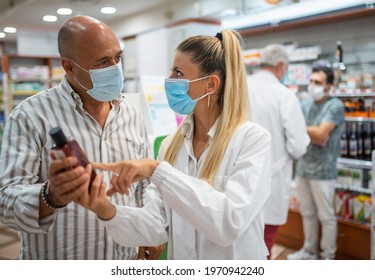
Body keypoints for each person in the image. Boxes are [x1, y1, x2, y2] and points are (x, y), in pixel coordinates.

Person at [77, 30, 272, 259]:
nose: (169, 79)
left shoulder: (252, 139)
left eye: (178, 72)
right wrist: (105, 208)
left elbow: (229, 224)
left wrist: (157, 171)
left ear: (211, 84)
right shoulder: (171, 144)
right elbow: (156, 226)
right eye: (171, 71)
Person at [0, 15, 163, 260]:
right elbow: (5, 201)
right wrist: (50, 196)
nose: (114, 67)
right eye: (103, 62)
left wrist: (148, 233)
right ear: (69, 66)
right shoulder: (31, 116)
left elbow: (142, 187)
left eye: (117, 57)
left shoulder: (131, 113)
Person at [247, 44, 310, 259]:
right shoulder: (284, 96)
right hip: (271, 183)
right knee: (264, 246)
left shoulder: (239, 88)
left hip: (239, 180)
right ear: (281, 66)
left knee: (241, 245)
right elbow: (298, 146)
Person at [287, 65, 344, 260]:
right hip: (304, 167)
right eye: (311, 81)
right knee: (307, 213)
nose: (313, 86)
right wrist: (315, 133)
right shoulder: (305, 105)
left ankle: (328, 256)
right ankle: (309, 251)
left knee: (326, 216)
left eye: (318, 82)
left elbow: (322, 134)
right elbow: (296, 130)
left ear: (328, 86)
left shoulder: (335, 106)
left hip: (324, 170)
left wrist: (310, 131)